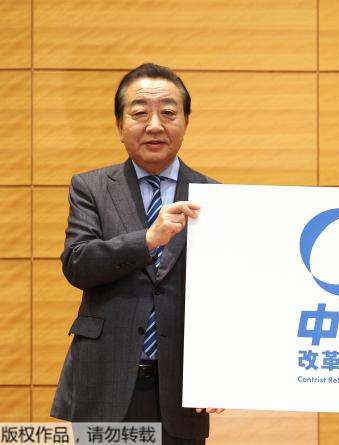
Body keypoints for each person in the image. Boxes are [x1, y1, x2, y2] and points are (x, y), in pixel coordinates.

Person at [51, 63, 223, 445]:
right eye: (140, 112)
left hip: (181, 388)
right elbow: (77, 264)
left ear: (186, 121)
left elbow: (224, 294)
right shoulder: (91, 187)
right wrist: (147, 239)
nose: (155, 125)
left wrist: (218, 371)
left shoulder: (215, 195)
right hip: (105, 380)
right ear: (119, 124)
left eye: (168, 112)